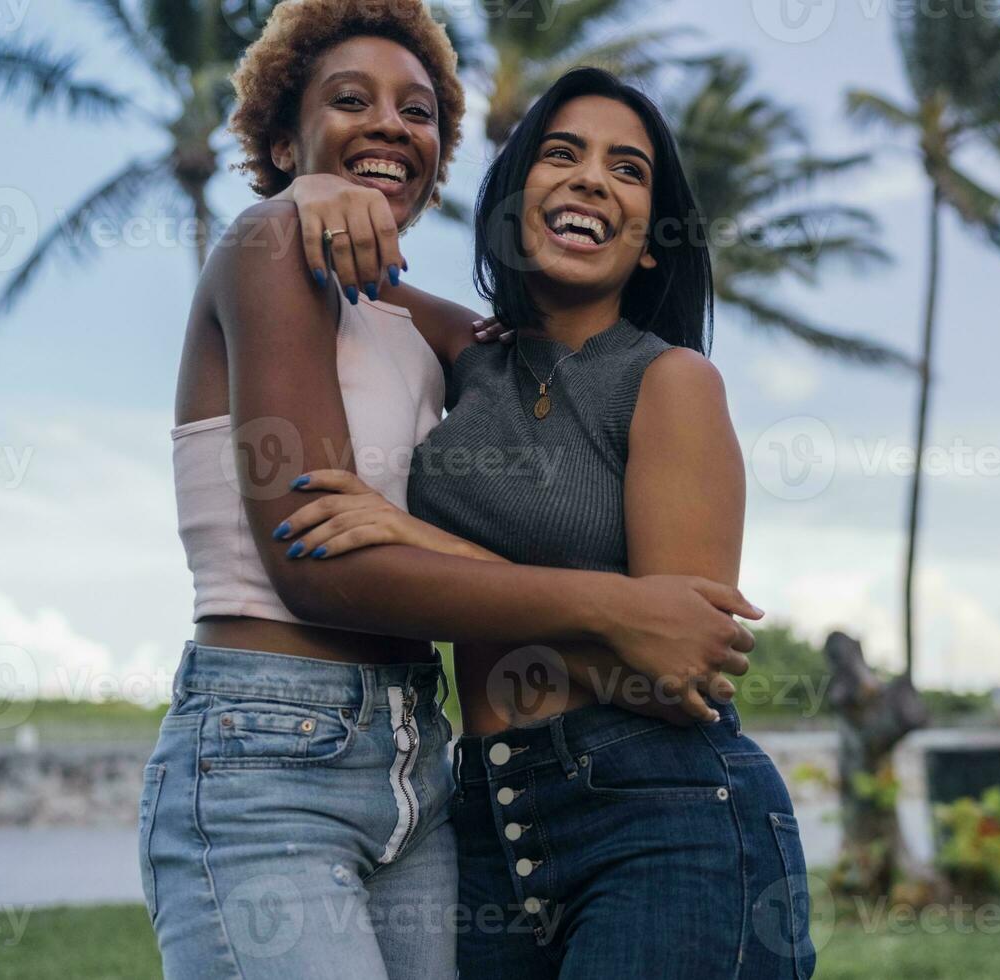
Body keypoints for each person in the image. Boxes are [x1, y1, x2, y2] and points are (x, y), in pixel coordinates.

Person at [141, 3, 760, 978]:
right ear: (278, 135)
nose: (391, 123)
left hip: (426, 765)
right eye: (350, 100)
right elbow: (317, 562)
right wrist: (296, 193)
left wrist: (407, 531)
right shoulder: (269, 250)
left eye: (418, 111)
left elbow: (675, 648)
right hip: (271, 740)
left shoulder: (447, 338)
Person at [280, 67, 816, 979]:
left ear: (651, 242)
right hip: (487, 825)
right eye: (561, 154)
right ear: (513, 202)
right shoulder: (468, 355)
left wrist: (418, 542)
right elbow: (311, 250)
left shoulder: (670, 381)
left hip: (663, 813)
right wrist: (316, 185)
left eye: (628, 170)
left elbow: (672, 668)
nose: (591, 179)